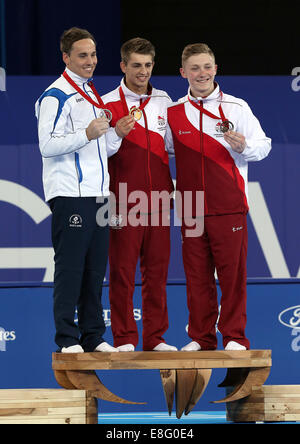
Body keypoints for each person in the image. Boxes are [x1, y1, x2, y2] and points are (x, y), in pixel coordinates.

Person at [166, 43, 272, 351]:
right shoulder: (173, 112)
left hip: (229, 206)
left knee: (232, 277)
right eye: (195, 68)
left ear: (216, 69)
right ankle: (201, 337)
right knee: (197, 278)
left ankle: (235, 337)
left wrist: (243, 147)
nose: (202, 74)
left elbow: (263, 146)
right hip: (191, 209)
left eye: (207, 66)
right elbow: (164, 150)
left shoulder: (237, 108)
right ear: (183, 72)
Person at [35, 27, 122, 353]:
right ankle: (67, 338)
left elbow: (102, 148)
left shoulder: (91, 94)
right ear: (66, 57)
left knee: (95, 269)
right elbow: (46, 145)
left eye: (94, 54)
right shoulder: (55, 96)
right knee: (71, 269)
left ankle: (93, 336)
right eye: (83, 55)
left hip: (98, 194)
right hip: (70, 193)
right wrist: (87, 133)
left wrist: (117, 134)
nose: (90, 61)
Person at [102, 37, 177, 352]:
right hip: (122, 201)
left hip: (160, 200)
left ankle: (155, 337)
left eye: (147, 65)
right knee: (121, 271)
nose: (142, 71)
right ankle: (124, 338)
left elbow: (172, 145)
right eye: (136, 65)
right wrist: (117, 133)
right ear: (123, 66)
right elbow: (100, 151)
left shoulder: (164, 100)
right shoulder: (107, 103)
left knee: (157, 272)